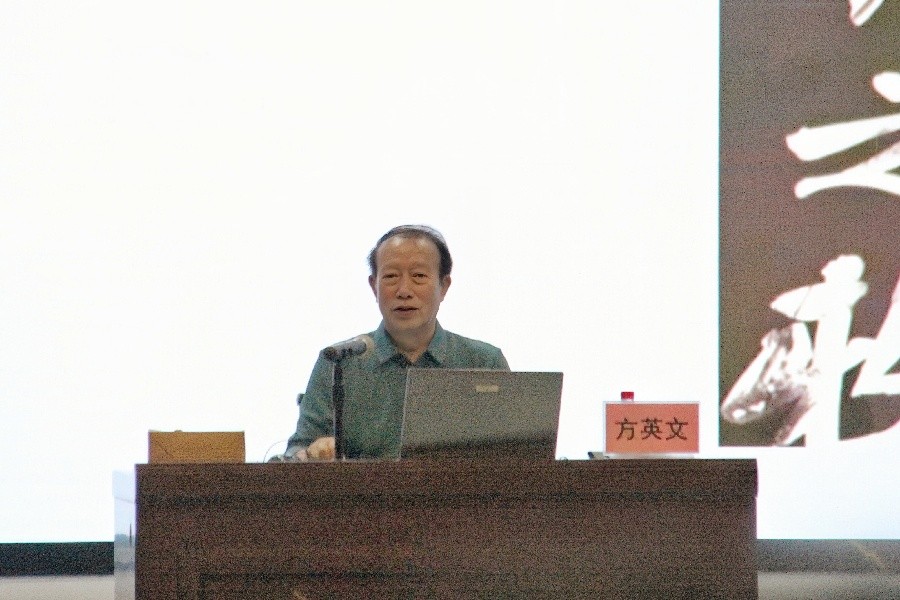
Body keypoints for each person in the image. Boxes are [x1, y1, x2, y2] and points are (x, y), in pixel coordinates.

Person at [285, 224, 509, 460]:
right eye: (391, 276)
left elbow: (515, 456)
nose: (404, 291)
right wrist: (310, 452)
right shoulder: (339, 361)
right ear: (374, 287)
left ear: (443, 286)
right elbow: (294, 452)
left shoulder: (484, 362)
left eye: (418, 276)